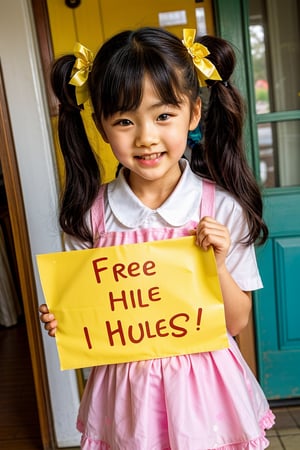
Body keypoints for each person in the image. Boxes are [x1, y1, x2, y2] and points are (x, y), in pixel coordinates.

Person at [39, 27, 275, 449]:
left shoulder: (219, 210)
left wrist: (217, 263)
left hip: (207, 403)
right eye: (125, 121)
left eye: (163, 115)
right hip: (126, 403)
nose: (146, 136)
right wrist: (66, 319)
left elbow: (236, 322)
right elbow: (89, 320)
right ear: (101, 125)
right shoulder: (89, 218)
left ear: (194, 113)